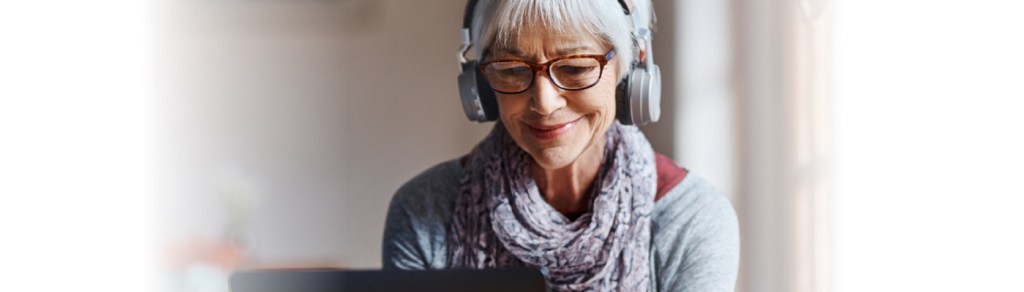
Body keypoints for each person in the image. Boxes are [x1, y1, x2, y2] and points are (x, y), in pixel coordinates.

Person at [382, 0, 739, 291]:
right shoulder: (423, 211)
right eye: (511, 69)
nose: (545, 103)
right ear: (480, 84)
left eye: (575, 67)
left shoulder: (693, 220)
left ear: (630, 69)